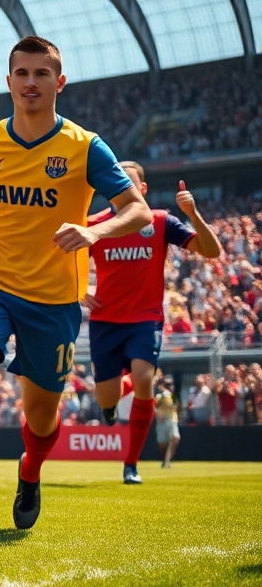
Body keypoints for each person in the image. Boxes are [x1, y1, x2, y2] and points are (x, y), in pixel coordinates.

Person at [0, 36, 152, 530]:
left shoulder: (85, 146)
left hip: (53, 296)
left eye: (41, 74)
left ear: (60, 81)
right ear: (8, 81)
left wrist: (92, 230)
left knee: (39, 415)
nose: (31, 82)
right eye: (22, 74)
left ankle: (30, 471)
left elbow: (136, 208)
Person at [85, 164, 221, 484]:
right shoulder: (95, 225)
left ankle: (130, 464)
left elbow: (211, 251)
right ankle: (111, 404)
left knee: (144, 377)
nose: (120, 189)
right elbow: (63, 262)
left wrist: (193, 213)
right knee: (106, 396)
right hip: (104, 321)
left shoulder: (161, 221)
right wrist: (79, 290)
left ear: (142, 190)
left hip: (145, 319)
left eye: (128, 184)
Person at [154, 376, 179, 468]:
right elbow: (155, 407)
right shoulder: (160, 396)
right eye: (168, 385)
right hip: (162, 421)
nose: (170, 386)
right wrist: (158, 414)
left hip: (172, 420)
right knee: (162, 443)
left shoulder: (173, 396)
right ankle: (165, 460)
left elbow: (177, 407)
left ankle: (167, 461)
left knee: (175, 438)